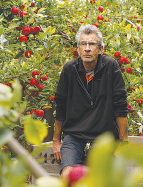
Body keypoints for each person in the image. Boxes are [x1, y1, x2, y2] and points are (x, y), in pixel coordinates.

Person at [52, 24, 128, 178]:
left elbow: (121, 106)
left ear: (100, 49)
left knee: (101, 177)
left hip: (104, 137)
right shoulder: (69, 69)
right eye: (83, 44)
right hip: (74, 137)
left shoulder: (111, 67)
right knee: (67, 175)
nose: (87, 48)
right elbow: (60, 105)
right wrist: (56, 140)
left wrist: (123, 143)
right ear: (78, 48)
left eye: (92, 44)